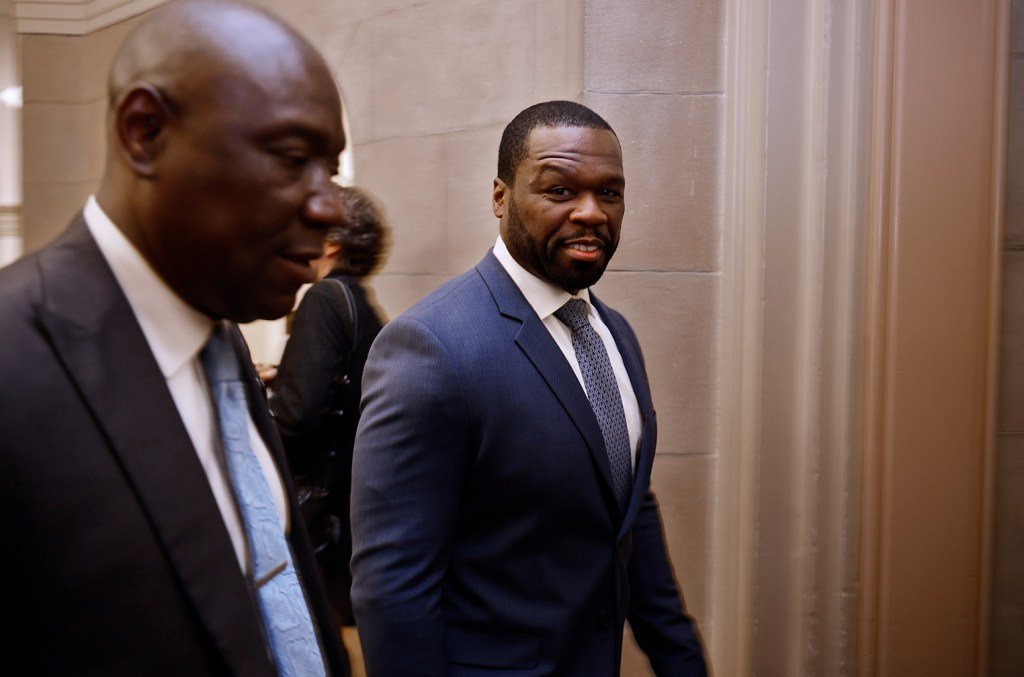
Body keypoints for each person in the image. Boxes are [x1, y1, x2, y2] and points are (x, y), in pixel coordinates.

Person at [0, 1, 350, 674]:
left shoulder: (222, 347)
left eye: (330, 170)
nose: (330, 206)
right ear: (146, 132)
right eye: (291, 158)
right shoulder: (15, 361)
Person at [350, 100, 708, 676]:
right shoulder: (431, 348)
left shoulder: (614, 334)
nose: (590, 212)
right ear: (501, 197)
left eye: (609, 193)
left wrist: (682, 662)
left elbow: (627, 510)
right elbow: (394, 590)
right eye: (559, 191)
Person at [270, 186, 388, 632]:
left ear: (333, 243)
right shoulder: (358, 299)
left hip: (317, 507)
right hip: (348, 502)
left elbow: (299, 413)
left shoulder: (322, 298)